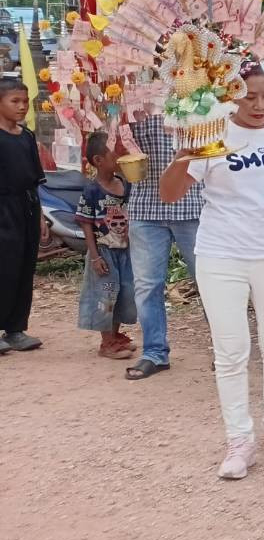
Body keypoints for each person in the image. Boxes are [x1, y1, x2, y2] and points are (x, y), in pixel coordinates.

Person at [160, 64, 264, 480]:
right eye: (249, 96)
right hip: (221, 255)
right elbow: (170, 194)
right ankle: (239, 439)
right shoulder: (212, 133)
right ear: (231, 95)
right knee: (230, 351)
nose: (259, 104)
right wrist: (185, 152)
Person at [124, 115, 201, 380]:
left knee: (210, 283)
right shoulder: (130, 101)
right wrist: (114, 125)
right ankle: (154, 353)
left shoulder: (198, 98)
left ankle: (225, 352)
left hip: (194, 206)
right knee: (146, 286)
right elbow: (115, 156)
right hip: (146, 207)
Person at [77, 131, 138, 360]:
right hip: (104, 252)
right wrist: (95, 257)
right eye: (115, 155)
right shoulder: (92, 190)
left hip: (126, 251)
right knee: (106, 295)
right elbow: (85, 224)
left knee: (126, 293)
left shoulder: (126, 185)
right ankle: (106, 342)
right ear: (98, 161)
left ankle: (115, 334)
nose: (120, 158)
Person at [0, 77, 44, 355]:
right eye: (14, 101)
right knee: (3, 267)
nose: (21, 107)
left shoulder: (26, 136)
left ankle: (16, 329)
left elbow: (34, 179)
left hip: (27, 207)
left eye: (24, 101)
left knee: (23, 266)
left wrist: (40, 217)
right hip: (2, 208)